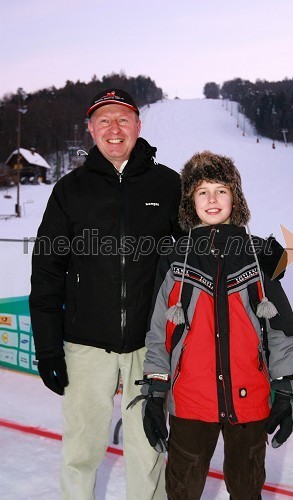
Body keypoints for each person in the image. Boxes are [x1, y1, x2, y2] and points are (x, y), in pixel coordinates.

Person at [29, 88, 182, 500]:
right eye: (104, 121)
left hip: (149, 346)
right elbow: (46, 274)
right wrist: (48, 350)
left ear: (138, 125)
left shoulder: (168, 184)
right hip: (85, 346)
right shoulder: (69, 190)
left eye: (122, 119)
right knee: (80, 448)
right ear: (91, 129)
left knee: (148, 447)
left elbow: (198, 251)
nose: (114, 129)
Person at [140, 151, 293, 500]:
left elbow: (280, 331)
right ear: (190, 201)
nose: (212, 199)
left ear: (236, 197)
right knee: (182, 491)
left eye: (221, 189)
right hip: (189, 403)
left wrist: (289, 389)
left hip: (249, 402)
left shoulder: (259, 255)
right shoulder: (174, 256)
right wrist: (155, 391)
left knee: (247, 491)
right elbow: (159, 334)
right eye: (202, 191)